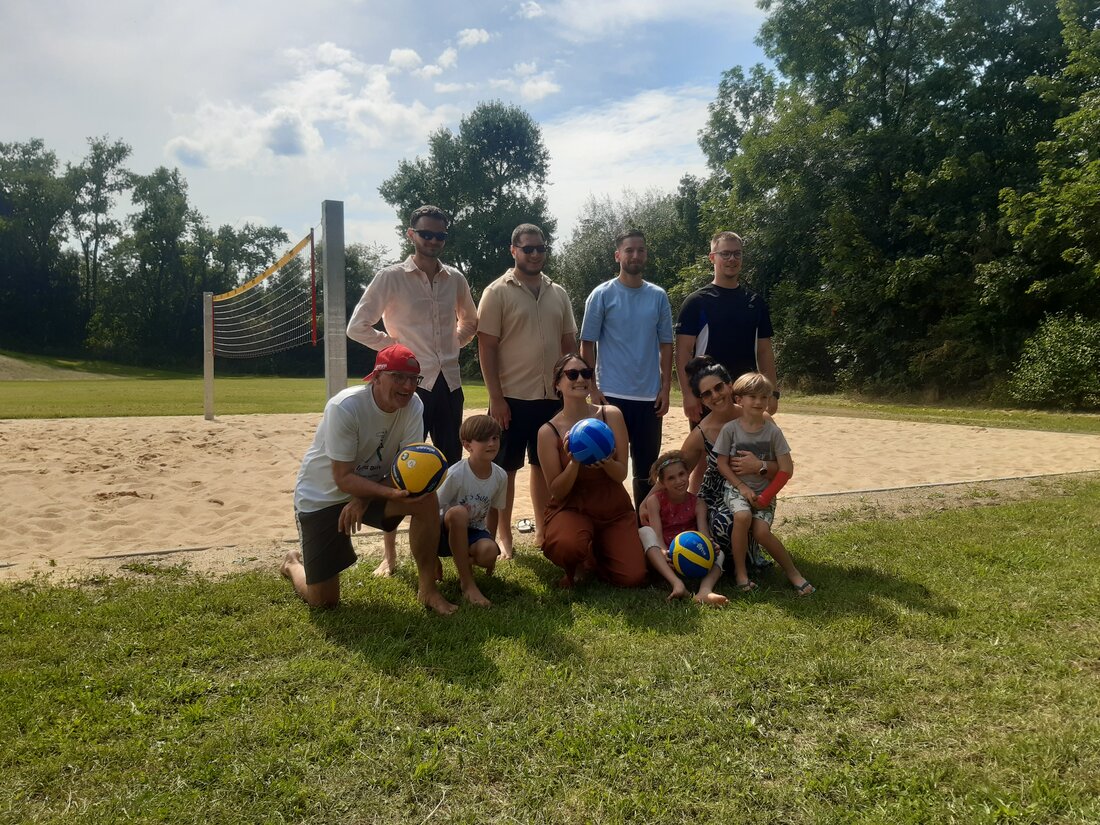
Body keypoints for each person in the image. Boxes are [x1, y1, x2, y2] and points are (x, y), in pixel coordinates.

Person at [346, 205, 478, 578]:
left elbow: (471, 320)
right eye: (426, 234)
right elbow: (357, 327)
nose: (433, 241)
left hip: (449, 384)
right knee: (400, 467)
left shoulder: (455, 279)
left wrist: (455, 343)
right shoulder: (390, 277)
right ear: (411, 234)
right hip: (410, 386)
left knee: (451, 464)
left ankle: (447, 547)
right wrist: (397, 349)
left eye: (440, 235)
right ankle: (390, 555)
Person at [283, 344, 457, 615]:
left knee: (425, 498)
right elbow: (342, 478)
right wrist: (371, 495)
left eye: (413, 379)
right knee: (324, 601)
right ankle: (292, 564)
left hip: (369, 490)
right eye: (398, 377)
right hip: (322, 497)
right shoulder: (345, 407)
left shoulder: (414, 406)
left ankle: (428, 590)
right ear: (376, 377)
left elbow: (410, 472)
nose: (408, 386)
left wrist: (362, 500)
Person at [477, 223, 577, 557]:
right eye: (528, 248)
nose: (535, 254)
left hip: (551, 397)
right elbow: (486, 347)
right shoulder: (496, 291)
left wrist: (573, 389)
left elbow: (568, 345)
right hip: (510, 397)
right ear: (513, 250)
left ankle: (542, 530)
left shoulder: (558, 293)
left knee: (544, 467)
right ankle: (504, 538)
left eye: (540, 248)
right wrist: (496, 398)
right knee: (504, 469)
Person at [645, 356, 778, 581]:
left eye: (718, 387)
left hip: (754, 491)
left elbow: (782, 468)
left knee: (738, 518)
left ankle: (744, 559)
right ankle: (728, 564)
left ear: (729, 385)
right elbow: (674, 468)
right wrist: (645, 501)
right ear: (702, 401)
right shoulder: (702, 432)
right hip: (715, 494)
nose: (715, 396)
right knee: (717, 525)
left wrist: (760, 466)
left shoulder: (759, 418)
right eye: (707, 394)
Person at [580, 229, 674, 508]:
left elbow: (666, 345)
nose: (635, 255)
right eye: (629, 250)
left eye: (641, 250)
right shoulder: (601, 294)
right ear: (618, 255)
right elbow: (587, 344)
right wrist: (592, 389)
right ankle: (610, 525)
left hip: (649, 398)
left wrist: (666, 388)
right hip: (611, 397)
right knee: (607, 466)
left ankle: (643, 529)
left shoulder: (658, 296)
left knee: (646, 472)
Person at [537, 353, 648, 589]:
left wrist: (606, 462)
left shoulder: (611, 414)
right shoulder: (548, 431)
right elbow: (557, 491)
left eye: (586, 373)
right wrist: (574, 461)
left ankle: (597, 552)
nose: (580, 379)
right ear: (557, 384)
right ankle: (578, 558)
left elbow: (621, 474)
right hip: (573, 505)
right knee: (567, 546)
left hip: (612, 506)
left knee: (633, 576)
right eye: (572, 374)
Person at [714, 372, 814, 595]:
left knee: (761, 532)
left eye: (764, 397)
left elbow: (787, 469)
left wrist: (766, 496)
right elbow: (722, 464)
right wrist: (742, 487)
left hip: (765, 492)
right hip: (736, 489)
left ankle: (793, 573)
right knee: (742, 516)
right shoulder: (730, 429)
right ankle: (741, 573)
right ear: (739, 399)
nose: (759, 402)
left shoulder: (773, 432)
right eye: (752, 397)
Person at [676, 231, 779, 427]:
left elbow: (765, 351)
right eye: (725, 254)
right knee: (708, 456)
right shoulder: (696, 302)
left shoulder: (755, 302)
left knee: (745, 456)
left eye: (737, 254)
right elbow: (683, 352)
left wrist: (772, 392)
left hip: (747, 395)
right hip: (709, 394)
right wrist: (688, 395)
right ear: (712, 258)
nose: (732, 259)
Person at [434, 414, 507, 608]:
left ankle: (463, 561)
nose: (491, 443)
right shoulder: (456, 474)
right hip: (444, 532)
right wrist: (431, 555)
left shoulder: (500, 476)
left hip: (473, 531)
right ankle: (467, 583)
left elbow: (493, 510)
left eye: (495, 438)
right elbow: (433, 509)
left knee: (490, 551)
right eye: (483, 439)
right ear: (467, 445)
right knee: (458, 513)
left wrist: (491, 539)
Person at [638, 451, 728, 606]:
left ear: (688, 474)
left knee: (721, 554)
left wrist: (711, 546)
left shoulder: (698, 503)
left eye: (681, 474)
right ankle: (677, 584)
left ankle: (705, 591)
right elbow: (657, 535)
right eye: (671, 478)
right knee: (645, 531)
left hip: (691, 552)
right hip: (666, 555)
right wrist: (664, 551)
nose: (678, 480)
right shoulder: (654, 501)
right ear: (663, 483)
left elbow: (703, 533)